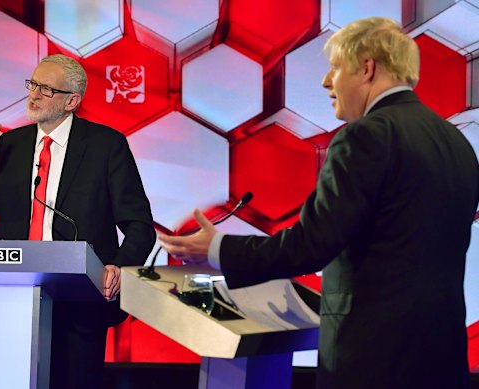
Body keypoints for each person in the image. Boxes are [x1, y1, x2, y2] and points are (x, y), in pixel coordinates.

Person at [160, 17, 479, 388]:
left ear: (367, 68)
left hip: (372, 361)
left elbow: (311, 245)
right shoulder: (456, 143)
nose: (327, 82)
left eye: (335, 68)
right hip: (441, 358)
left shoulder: (364, 137)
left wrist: (218, 248)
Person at [0, 54, 155, 388]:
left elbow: (139, 225)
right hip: (16, 296)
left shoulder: (106, 146)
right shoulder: (11, 144)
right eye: (32, 84)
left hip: (81, 300)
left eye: (45, 89)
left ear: (71, 101)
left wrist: (119, 267)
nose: (33, 94)